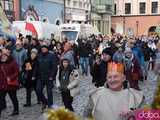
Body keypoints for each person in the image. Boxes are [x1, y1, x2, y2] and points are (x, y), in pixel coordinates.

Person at [36, 44, 58, 111]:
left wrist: (52, 76)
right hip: (40, 77)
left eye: (45, 48)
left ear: (47, 49)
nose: (43, 50)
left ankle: (50, 105)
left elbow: (54, 67)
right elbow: (37, 66)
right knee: (38, 90)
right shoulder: (39, 56)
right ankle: (45, 101)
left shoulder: (51, 56)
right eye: (42, 49)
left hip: (49, 77)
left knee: (49, 92)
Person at [0, 48, 19, 116]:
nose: (3, 57)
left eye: (5, 55)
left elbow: (17, 72)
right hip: (2, 84)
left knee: (13, 98)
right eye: (2, 55)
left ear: (7, 56)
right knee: (1, 98)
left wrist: (11, 78)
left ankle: (16, 110)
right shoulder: (0, 63)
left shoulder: (12, 62)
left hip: (11, 84)